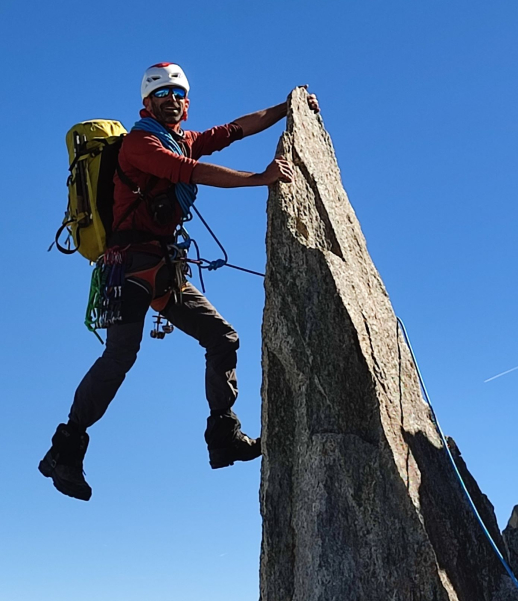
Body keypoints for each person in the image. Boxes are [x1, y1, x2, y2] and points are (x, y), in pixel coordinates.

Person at [40, 62, 319, 501]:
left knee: (222, 338)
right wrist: (260, 178)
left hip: (162, 267)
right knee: (120, 356)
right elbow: (190, 172)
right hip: (129, 264)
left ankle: (223, 436)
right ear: (146, 104)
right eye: (161, 94)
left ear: (185, 105)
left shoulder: (182, 139)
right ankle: (64, 451)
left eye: (178, 94)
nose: (171, 100)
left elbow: (234, 129)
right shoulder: (140, 143)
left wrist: (288, 108)